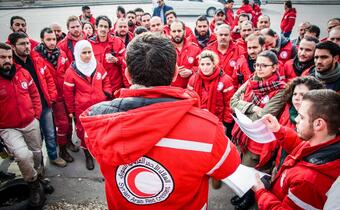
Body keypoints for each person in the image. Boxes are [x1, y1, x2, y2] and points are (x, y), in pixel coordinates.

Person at [79, 32, 240, 210]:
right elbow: (229, 168)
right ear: (175, 74)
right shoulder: (207, 130)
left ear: (128, 75)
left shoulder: (97, 121)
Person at [253, 89, 340, 210]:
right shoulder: (322, 144)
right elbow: (299, 146)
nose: (296, 119)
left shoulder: (308, 183)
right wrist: (278, 129)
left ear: (319, 124)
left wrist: (261, 192)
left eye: (302, 117)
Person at [231, 50, 286, 210]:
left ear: (275, 67)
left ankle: (249, 198)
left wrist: (244, 107)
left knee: (251, 170)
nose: (259, 69)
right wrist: (253, 107)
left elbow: (263, 115)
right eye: (257, 65)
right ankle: (243, 193)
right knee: (241, 165)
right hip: (242, 132)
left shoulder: (280, 90)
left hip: (259, 138)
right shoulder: (252, 81)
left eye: (264, 65)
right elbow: (232, 101)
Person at [9, 32, 63, 168]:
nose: (26, 46)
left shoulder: (36, 59)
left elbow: (49, 79)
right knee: (35, 140)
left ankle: (53, 156)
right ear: (14, 47)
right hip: (28, 109)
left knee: (50, 133)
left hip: (45, 104)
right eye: (22, 44)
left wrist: (52, 96)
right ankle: (38, 165)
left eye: (27, 43)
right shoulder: (12, 66)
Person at [0, 42, 45, 207]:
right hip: (8, 127)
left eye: (9, 57)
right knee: (22, 156)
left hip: (30, 122)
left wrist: (36, 116)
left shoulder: (23, 73)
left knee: (37, 154)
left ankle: (39, 178)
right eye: (2, 57)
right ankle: (33, 183)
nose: (7, 60)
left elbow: (34, 94)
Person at [63, 40, 112, 170]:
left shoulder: (98, 65)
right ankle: (88, 156)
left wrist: (106, 92)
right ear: (77, 54)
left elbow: (106, 80)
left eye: (89, 52)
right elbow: (68, 94)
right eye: (84, 53)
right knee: (83, 132)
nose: (88, 55)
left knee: (101, 130)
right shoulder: (71, 72)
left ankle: (100, 152)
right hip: (82, 109)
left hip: (100, 106)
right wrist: (71, 111)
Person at [34, 27, 74, 165]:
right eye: (48, 39)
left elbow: (69, 72)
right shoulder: (37, 57)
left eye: (54, 39)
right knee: (61, 124)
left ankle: (68, 142)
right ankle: (62, 149)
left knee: (69, 122)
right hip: (53, 97)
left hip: (66, 93)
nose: (52, 42)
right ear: (42, 40)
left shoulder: (61, 54)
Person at [274, 76, 324, 176]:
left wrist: (279, 130)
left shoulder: (316, 123)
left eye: (303, 95)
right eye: (295, 94)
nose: (296, 98)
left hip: (294, 172)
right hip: (279, 164)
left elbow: (302, 149)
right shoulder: (289, 111)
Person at [188, 50, 235, 139]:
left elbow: (229, 104)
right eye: (202, 64)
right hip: (198, 121)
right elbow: (189, 101)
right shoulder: (193, 79)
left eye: (208, 64)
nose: (205, 67)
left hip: (218, 122)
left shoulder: (225, 80)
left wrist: (225, 125)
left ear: (214, 64)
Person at [88, 15, 127, 92]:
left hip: (115, 85)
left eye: (105, 27)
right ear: (96, 27)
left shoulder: (118, 42)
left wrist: (116, 60)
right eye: (101, 26)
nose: (103, 29)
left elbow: (125, 61)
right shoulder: (89, 44)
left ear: (109, 29)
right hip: (98, 85)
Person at [169, 20, 201, 88]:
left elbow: (202, 66)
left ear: (184, 31)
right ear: (170, 32)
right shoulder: (165, 49)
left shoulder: (195, 48)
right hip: (171, 90)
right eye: (174, 31)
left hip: (190, 90)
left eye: (179, 31)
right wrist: (173, 70)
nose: (177, 34)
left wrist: (191, 71)